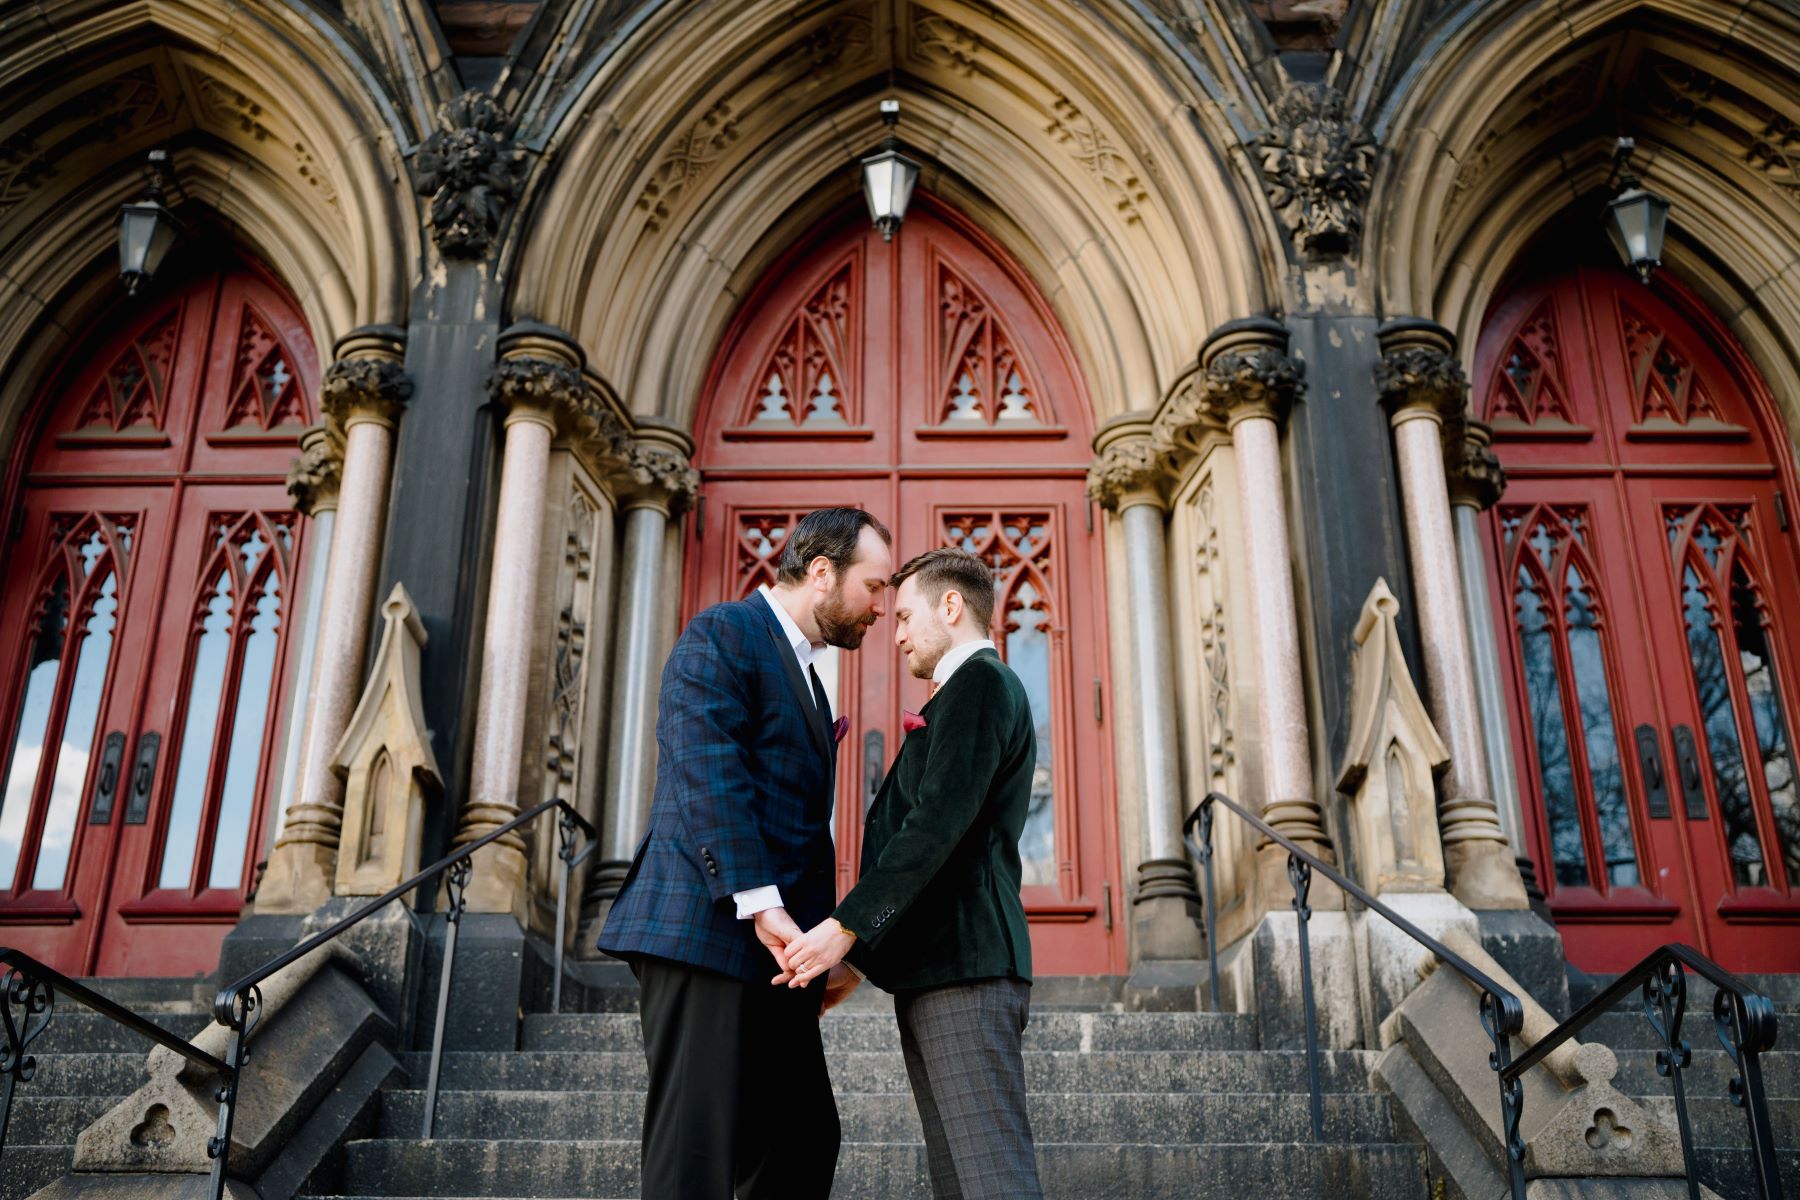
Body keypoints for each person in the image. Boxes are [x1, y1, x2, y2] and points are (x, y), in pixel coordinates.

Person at [598, 506, 893, 1200]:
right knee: (693, 1162)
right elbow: (707, 771)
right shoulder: (724, 634)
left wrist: (828, 948)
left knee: (801, 1140)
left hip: (778, 955)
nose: (882, 608)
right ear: (821, 573)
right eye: (875, 587)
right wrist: (763, 906)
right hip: (707, 932)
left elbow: (793, 818)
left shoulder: (810, 675)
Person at [780, 546, 1043, 1200]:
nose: (893, 634)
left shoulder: (980, 683)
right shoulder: (968, 689)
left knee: (991, 1179)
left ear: (950, 607)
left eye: (903, 617)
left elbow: (935, 826)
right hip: (940, 968)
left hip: (967, 967)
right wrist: (863, 956)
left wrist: (846, 926)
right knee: (961, 1181)